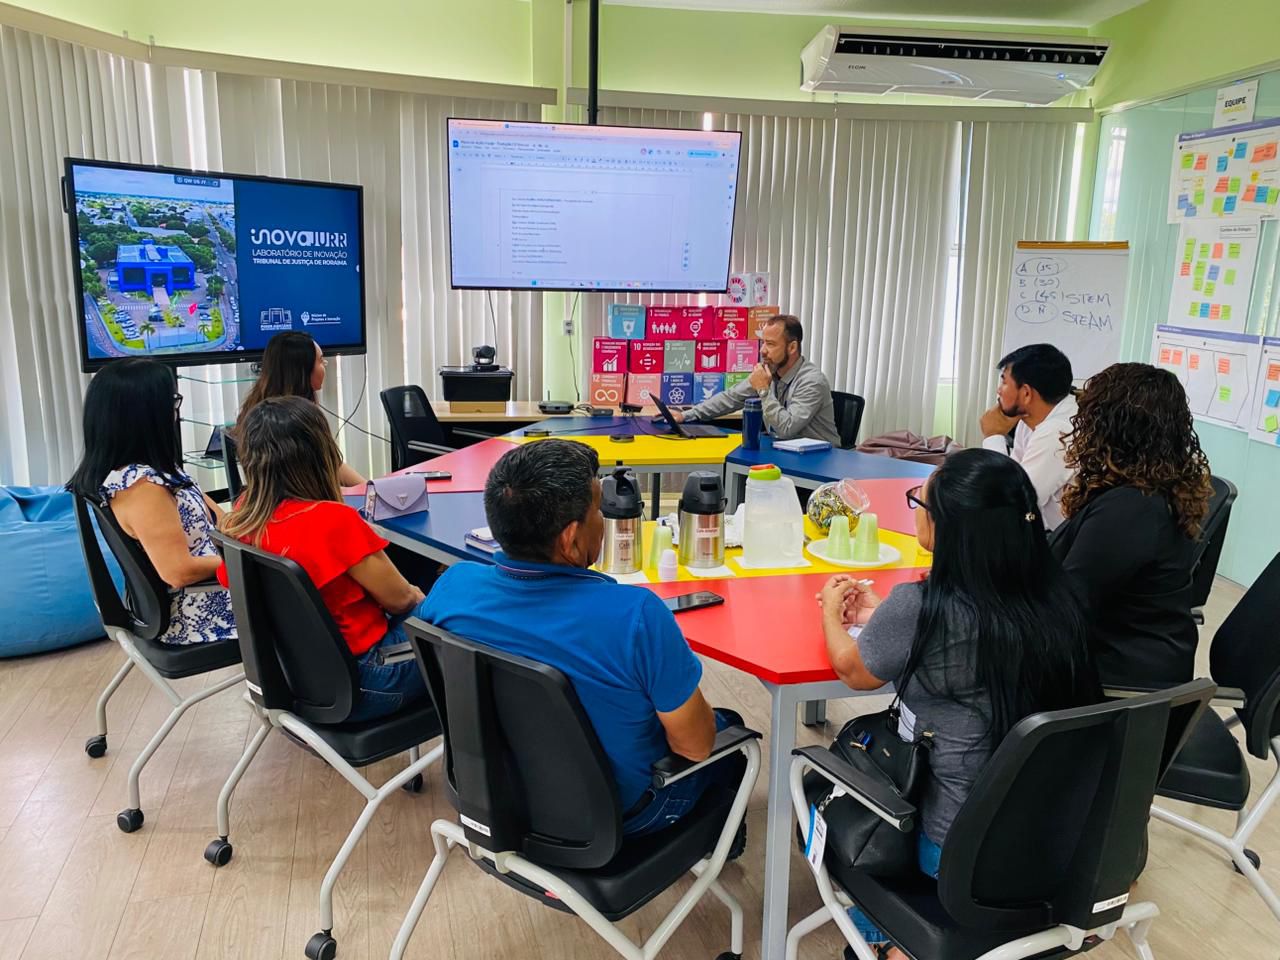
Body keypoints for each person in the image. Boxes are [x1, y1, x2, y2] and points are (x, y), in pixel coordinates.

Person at [817, 448, 1099, 958]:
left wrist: (831, 615)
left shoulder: (919, 607)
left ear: (949, 527)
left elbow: (852, 670)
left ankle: (892, 939)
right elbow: (976, 626)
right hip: (1061, 843)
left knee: (818, 781)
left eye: (919, 503)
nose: (916, 512)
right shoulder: (1060, 598)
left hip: (958, 851)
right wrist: (889, 617)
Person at [419, 439, 746, 838]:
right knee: (730, 733)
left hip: (494, 801)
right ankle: (705, 851)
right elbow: (694, 747)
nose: (603, 520)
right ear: (570, 538)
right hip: (615, 819)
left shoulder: (452, 586)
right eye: (598, 510)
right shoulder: (635, 617)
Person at [218, 396, 426, 721]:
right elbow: (401, 601)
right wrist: (431, 600)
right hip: (368, 682)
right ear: (319, 452)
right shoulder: (333, 521)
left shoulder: (242, 516)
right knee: (461, 604)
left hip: (293, 680)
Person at [1050, 362, 1213, 687]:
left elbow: (1064, 606)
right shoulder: (1147, 489)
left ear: (1111, 426)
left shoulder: (1131, 509)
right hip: (1123, 655)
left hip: (1121, 684)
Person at [67, 358, 236, 645]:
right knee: (309, 599)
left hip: (211, 592)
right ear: (146, 415)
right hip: (199, 612)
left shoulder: (152, 472)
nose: (175, 411)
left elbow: (219, 518)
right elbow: (178, 571)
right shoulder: (142, 488)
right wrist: (243, 563)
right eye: (171, 401)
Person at [673, 314, 840, 445]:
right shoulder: (770, 370)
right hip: (784, 452)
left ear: (792, 347)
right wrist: (685, 415)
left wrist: (763, 390)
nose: (762, 350)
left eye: (770, 344)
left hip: (820, 462)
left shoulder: (812, 381)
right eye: (763, 343)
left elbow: (785, 429)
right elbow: (731, 398)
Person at [235, 330, 365, 486]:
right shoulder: (296, 420)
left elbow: (332, 464)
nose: (325, 365)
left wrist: (368, 487)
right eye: (320, 361)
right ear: (302, 370)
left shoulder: (255, 411)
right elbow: (317, 479)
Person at [978, 343, 1077, 530]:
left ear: (1026, 393)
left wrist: (993, 436)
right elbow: (1013, 478)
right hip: (1039, 526)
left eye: (1004, 382)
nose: (999, 390)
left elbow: (1012, 504)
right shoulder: (1029, 418)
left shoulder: (1058, 432)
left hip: (1060, 539)